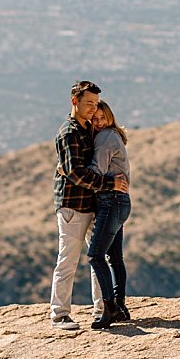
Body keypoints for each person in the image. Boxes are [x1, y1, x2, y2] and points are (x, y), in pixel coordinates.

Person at [49, 78, 126, 329]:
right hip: (73, 206)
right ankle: (60, 314)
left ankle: (102, 309)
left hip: (94, 204)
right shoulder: (69, 132)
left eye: (96, 103)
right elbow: (76, 173)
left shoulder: (90, 130)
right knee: (68, 260)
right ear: (75, 102)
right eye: (89, 103)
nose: (94, 108)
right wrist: (109, 184)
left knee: (98, 258)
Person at [87, 99, 132, 329]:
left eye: (103, 118)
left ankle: (108, 310)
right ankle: (121, 306)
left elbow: (97, 171)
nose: (99, 122)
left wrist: (71, 171)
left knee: (95, 255)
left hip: (110, 201)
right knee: (115, 258)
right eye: (95, 119)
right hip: (121, 202)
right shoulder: (115, 136)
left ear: (110, 117)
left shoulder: (104, 139)